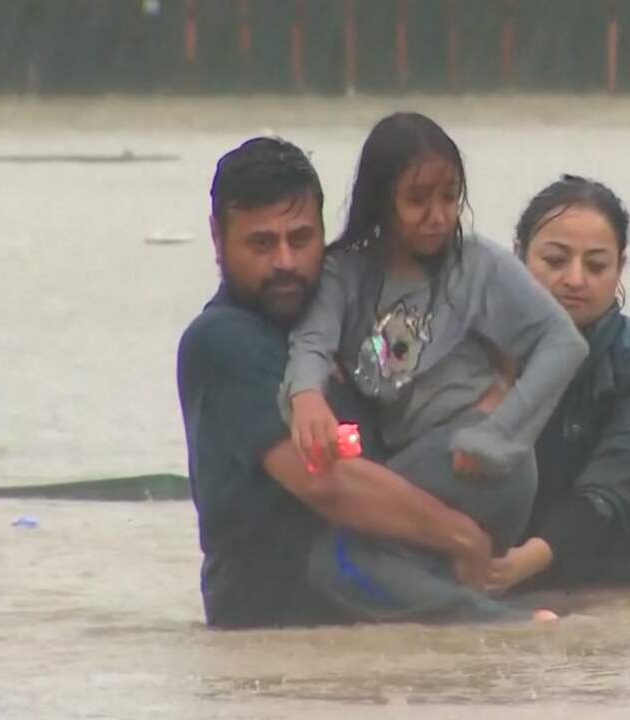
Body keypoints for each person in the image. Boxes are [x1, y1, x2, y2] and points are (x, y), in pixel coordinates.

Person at [177, 137, 497, 629]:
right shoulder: (222, 341)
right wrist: (461, 536)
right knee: (515, 637)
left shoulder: (342, 322)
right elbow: (326, 480)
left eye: (301, 239)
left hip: (377, 581)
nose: (285, 261)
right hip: (278, 613)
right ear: (218, 240)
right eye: (262, 243)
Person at [283, 114, 588, 618]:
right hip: (424, 465)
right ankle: (479, 656)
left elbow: (563, 343)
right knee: (385, 571)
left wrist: (498, 434)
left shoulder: (477, 266)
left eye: (449, 197)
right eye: (417, 199)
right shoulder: (346, 274)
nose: (437, 215)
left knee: (335, 558)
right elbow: (311, 341)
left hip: (480, 464)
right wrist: (306, 397)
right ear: (382, 200)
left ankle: (501, 630)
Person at [486, 175, 630, 594]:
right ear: (518, 256)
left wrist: (520, 564)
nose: (575, 280)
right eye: (555, 261)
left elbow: (617, 488)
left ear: (620, 268)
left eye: (596, 265)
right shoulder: (476, 350)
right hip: (508, 577)